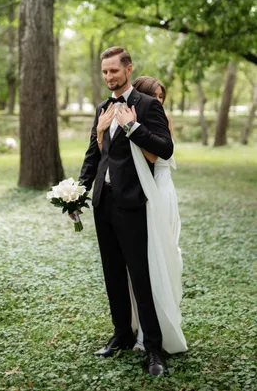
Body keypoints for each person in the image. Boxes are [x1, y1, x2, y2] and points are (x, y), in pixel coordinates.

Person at [78, 46, 173, 376]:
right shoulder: (102, 107)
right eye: (104, 72)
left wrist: (133, 127)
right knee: (113, 273)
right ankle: (121, 333)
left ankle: (153, 349)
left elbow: (164, 148)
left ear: (128, 69)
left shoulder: (147, 106)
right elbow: (94, 154)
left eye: (114, 71)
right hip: (103, 202)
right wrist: (79, 191)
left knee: (140, 277)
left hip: (133, 203)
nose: (108, 77)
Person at [127, 75, 188, 354]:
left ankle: (163, 328)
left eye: (161, 97)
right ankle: (143, 328)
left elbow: (154, 156)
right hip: (144, 192)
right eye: (155, 97)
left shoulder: (161, 121)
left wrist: (131, 127)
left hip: (161, 193)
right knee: (147, 261)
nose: (159, 103)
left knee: (163, 256)